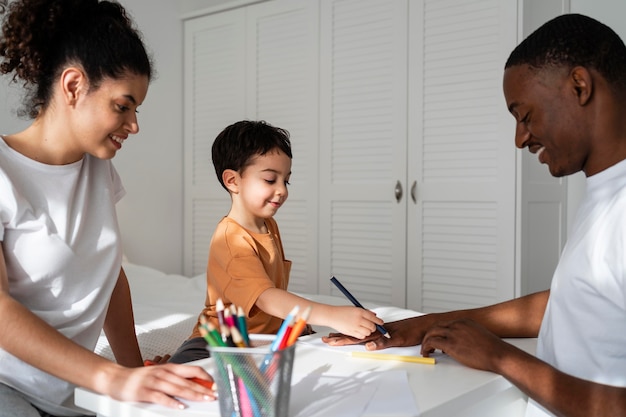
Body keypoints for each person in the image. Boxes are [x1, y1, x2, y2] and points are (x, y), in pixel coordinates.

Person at [323, 13, 626, 417]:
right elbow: (579, 299)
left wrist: (501, 358)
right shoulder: (605, 191)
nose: (520, 138)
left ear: (579, 86)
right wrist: (427, 324)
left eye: (525, 115)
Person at [0, 1, 215, 416]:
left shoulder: (98, 170)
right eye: (123, 105)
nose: (134, 125)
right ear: (74, 86)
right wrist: (115, 378)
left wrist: (138, 377)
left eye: (136, 110)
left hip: (76, 392)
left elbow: (109, 278)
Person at [168, 120, 385, 364]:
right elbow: (267, 297)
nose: (282, 190)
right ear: (232, 181)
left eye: (286, 180)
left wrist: (295, 325)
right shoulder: (230, 240)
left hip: (263, 340)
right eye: (271, 180)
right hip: (220, 342)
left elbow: (273, 298)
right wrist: (332, 315)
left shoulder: (267, 225)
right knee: (187, 375)